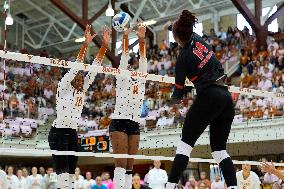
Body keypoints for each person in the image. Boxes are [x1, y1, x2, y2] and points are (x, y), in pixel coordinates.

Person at [165, 10, 237, 189]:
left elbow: (178, 93)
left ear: (176, 37)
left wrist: (169, 103)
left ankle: (170, 185)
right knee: (219, 151)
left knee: (185, 145)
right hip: (226, 97)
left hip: (209, 97)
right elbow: (183, 31)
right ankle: (234, 187)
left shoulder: (182, 58)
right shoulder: (199, 39)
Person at [48, 25, 110, 188]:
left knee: (71, 173)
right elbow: (77, 66)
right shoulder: (64, 86)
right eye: (79, 77)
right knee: (62, 174)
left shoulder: (82, 88)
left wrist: (104, 44)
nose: (82, 79)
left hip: (72, 132)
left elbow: (95, 67)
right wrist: (85, 45)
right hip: (58, 133)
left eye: (83, 78)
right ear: (72, 78)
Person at [110, 23, 147, 189]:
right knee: (121, 163)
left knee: (130, 166)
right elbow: (124, 57)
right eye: (129, 67)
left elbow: (144, 59)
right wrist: (125, 36)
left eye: (133, 67)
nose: (131, 68)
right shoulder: (122, 78)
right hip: (119, 121)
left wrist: (141, 39)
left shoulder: (141, 80)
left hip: (134, 122)